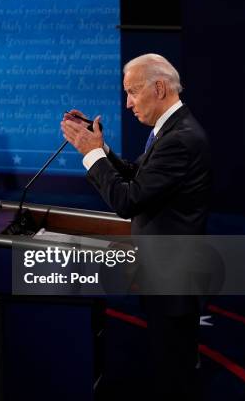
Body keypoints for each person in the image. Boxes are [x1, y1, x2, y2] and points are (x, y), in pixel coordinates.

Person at [61, 53, 212, 399]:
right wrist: (99, 147)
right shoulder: (173, 129)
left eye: (132, 91)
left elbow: (128, 200)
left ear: (159, 88)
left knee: (175, 372)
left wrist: (91, 155)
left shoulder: (180, 139)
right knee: (170, 362)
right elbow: (139, 177)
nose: (128, 103)